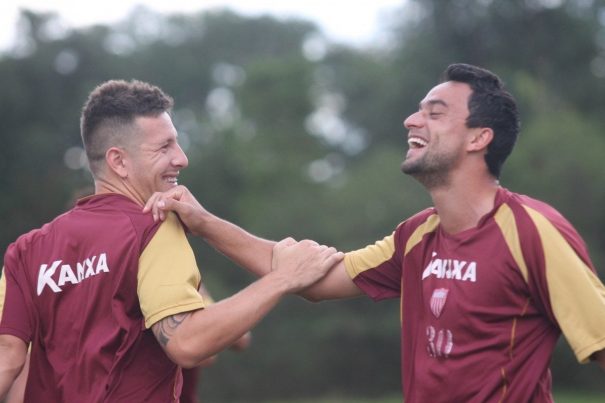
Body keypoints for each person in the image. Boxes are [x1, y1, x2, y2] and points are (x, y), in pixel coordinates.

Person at [143, 63, 605, 402]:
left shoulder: (532, 231)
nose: (412, 120)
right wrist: (204, 224)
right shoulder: (417, 236)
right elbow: (315, 278)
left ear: (478, 138)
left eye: (435, 113)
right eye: (417, 110)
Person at [0, 79, 343, 402]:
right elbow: (188, 344)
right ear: (118, 161)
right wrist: (282, 278)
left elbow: (9, 360)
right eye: (165, 146)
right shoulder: (155, 226)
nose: (182, 158)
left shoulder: (26, 249)